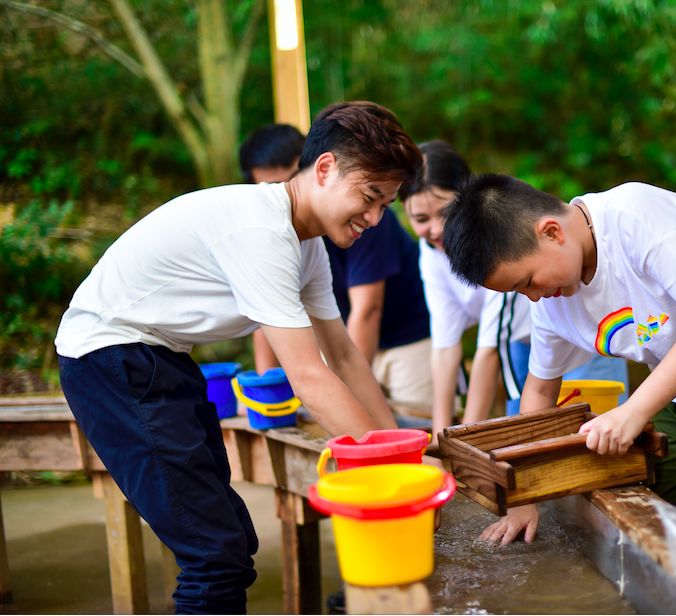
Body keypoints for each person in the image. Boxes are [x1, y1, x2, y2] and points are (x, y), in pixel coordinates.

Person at [55, 101, 422, 613]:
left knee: (230, 543)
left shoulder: (306, 245)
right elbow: (310, 378)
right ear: (324, 169)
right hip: (111, 361)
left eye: (386, 204)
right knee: (214, 554)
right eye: (369, 197)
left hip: (160, 359)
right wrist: (389, 476)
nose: (376, 218)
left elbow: (341, 355)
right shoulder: (261, 232)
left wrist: (403, 458)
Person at [442, 175, 676, 593]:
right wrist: (525, 497)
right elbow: (539, 391)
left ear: (551, 232)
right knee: (650, 530)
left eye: (526, 282)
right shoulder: (552, 304)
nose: (531, 297)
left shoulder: (637, 216)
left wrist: (634, 412)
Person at [240, 124, 435, 415]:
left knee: (415, 419)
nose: (283, 193)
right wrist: (270, 392)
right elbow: (265, 312)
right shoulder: (270, 228)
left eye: (289, 180)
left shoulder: (364, 213)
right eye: (270, 187)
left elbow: (367, 310)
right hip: (342, 331)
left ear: (317, 168)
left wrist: (349, 394)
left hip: (405, 338)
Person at [400, 141, 532, 436]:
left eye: (445, 214)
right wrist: (440, 437)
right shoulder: (431, 251)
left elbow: (489, 350)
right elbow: (445, 347)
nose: (435, 229)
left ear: (469, 195)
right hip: (518, 343)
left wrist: (463, 442)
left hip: (576, 342)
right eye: (420, 219)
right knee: (526, 433)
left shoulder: (496, 237)